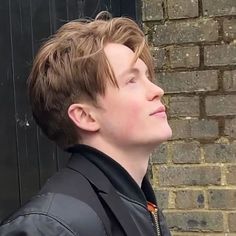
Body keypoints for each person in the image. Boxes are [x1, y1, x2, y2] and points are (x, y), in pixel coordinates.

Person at [0, 11, 172, 236]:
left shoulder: (140, 205)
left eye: (148, 77)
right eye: (132, 81)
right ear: (85, 117)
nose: (157, 91)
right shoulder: (49, 228)